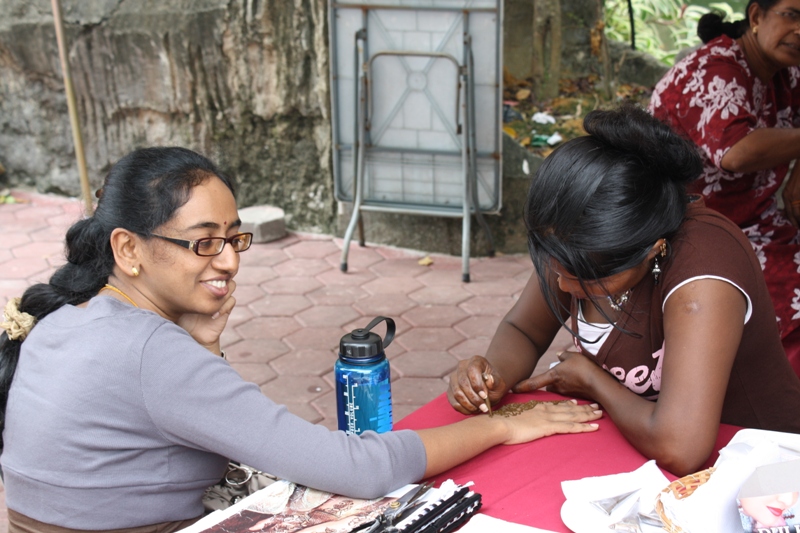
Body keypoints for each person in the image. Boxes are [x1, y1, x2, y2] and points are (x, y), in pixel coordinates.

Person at [0, 147, 601, 533]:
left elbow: (187, 425)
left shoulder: (67, 316)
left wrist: (203, 348)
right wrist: (504, 426)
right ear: (128, 249)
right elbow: (355, 468)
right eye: (204, 242)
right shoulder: (151, 352)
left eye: (235, 238)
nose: (228, 261)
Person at [447, 105, 800, 478]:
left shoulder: (704, 277)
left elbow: (681, 447)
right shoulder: (576, 241)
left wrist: (591, 381)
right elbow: (525, 329)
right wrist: (492, 376)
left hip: (759, 464)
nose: (563, 285)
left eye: (583, 280)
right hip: (636, 447)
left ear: (652, 251)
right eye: (554, 267)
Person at [648, 0, 800, 374]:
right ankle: (773, 401)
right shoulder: (716, 68)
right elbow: (735, 151)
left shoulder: (786, 74)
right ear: (756, 16)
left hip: (754, 222)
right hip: (684, 229)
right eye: (792, 15)